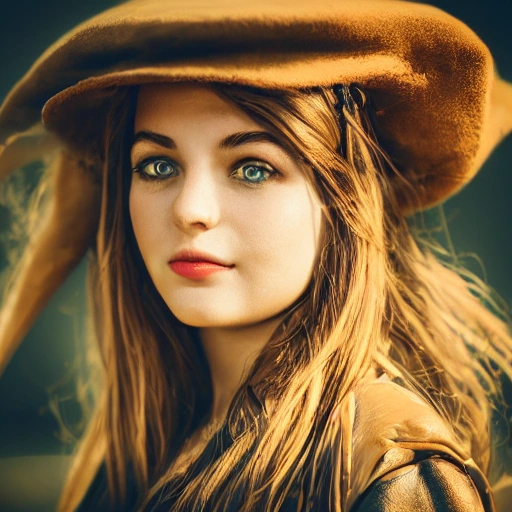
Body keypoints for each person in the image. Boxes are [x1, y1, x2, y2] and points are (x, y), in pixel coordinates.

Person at [0, 0, 511, 510]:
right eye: (156, 166)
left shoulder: (393, 480)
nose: (190, 210)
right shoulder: (145, 447)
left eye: (252, 168)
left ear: (344, 201)